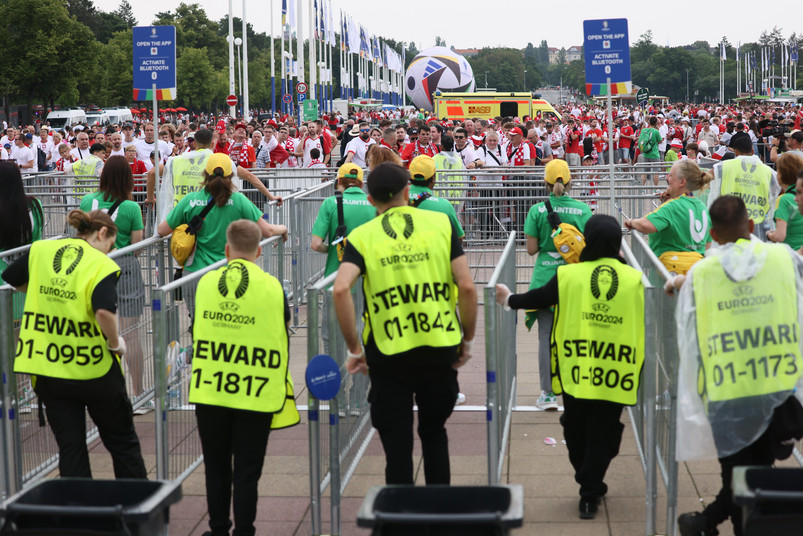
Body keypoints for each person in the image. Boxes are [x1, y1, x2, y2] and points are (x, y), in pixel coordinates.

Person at [333, 162, 477, 485]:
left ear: (371, 200)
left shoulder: (363, 236)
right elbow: (466, 287)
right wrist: (466, 340)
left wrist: (355, 348)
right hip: (439, 343)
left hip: (387, 350)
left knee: (397, 449)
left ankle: (400, 520)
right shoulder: (440, 223)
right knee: (434, 432)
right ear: (408, 192)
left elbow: (341, 289)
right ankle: (439, 516)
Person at [495, 214, 645, 519]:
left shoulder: (576, 275)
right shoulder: (632, 277)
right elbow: (542, 296)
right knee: (590, 432)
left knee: (587, 432)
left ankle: (589, 490)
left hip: (585, 371)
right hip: (606, 371)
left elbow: (539, 297)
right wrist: (511, 300)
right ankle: (591, 480)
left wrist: (510, 300)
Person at [672, 196, 803, 536]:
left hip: (728, 389)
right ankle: (708, 521)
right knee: (753, 472)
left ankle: (708, 522)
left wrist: (677, 282)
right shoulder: (782, 257)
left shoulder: (702, 273)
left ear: (712, 235)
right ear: (749, 226)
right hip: (777, 384)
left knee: (739, 473)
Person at [3, 209, 148, 479]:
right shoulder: (100, 264)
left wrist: (42, 290)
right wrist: (116, 344)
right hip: (95, 371)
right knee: (121, 442)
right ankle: (136, 506)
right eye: (111, 245)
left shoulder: (43, 249)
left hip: (48, 370)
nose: (109, 251)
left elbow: (11, 276)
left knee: (71, 447)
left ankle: (78, 511)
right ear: (102, 233)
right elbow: (104, 311)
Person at [191, 219, 292, 536]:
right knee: (247, 471)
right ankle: (245, 530)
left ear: (226, 249)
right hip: (256, 391)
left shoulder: (206, 283)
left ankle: (219, 529)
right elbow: (282, 328)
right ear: (259, 251)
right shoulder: (273, 287)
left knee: (216, 467)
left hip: (211, 389)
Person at [157, 153, 288, 315]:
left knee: (198, 327)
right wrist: (283, 229)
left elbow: (162, 230)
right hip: (230, 276)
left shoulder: (190, 200)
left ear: (205, 174)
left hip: (195, 275)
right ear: (231, 176)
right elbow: (268, 231)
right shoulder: (240, 200)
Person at [523, 159, 593, 410]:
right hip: (575, 279)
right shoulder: (583, 209)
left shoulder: (536, 210)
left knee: (545, 338)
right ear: (570, 181)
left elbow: (531, 250)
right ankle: (577, 389)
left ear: (545, 182)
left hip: (544, 280)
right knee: (577, 336)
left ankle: (547, 394)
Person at [79, 156, 148, 406]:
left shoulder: (88, 201)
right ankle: (139, 393)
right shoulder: (131, 207)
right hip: (124, 267)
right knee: (130, 333)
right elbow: (137, 246)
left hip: (92, 268)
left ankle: (98, 392)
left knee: (95, 330)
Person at [154, 129, 282, 224]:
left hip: (182, 216)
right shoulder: (222, 160)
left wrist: (150, 197)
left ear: (195, 143)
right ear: (211, 144)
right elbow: (250, 176)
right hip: (212, 216)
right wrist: (271, 196)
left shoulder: (176, 160)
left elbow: (151, 174)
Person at [625, 160, 712, 275]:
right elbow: (707, 244)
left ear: (682, 181)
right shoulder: (703, 208)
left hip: (670, 273)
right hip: (697, 273)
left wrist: (631, 222)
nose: (667, 178)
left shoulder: (673, 206)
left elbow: (645, 225)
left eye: (671, 175)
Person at [707, 132, 780, 240]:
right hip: (758, 224)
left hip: (730, 221)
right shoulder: (768, 172)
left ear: (735, 152)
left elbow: (705, 177)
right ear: (752, 150)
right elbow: (782, 189)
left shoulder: (723, 167)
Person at [766, 152, 803, 249]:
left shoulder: (784, 200)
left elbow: (780, 236)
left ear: (780, 175)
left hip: (792, 254)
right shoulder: (799, 196)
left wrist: (769, 235)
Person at [638, 116, 663, 186]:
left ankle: (642, 188)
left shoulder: (643, 130)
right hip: (654, 154)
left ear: (648, 122)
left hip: (646, 153)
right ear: (656, 123)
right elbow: (660, 141)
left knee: (645, 172)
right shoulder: (656, 131)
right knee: (656, 172)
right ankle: (656, 188)